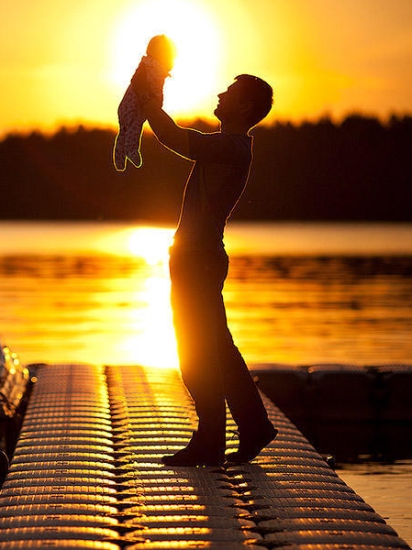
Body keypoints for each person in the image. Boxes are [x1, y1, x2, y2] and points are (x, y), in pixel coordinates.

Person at [139, 74, 277, 466]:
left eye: (229, 92)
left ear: (244, 106)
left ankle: (211, 439)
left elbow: (173, 137)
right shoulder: (229, 146)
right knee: (219, 349)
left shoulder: (231, 148)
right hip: (199, 257)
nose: (219, 94)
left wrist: (148, 103)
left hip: (198, 259)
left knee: (196, 351)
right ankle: (254, 426)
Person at [113, 35, 176, 171]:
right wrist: (144, 95)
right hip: (133, 104)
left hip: (140, 105)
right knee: (132, 128)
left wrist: (156, 102)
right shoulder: (147, 65)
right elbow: (137, 80)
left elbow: (157, 87)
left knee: (126, 130)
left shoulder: (158, 69)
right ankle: (131, 150)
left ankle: (121, 159)